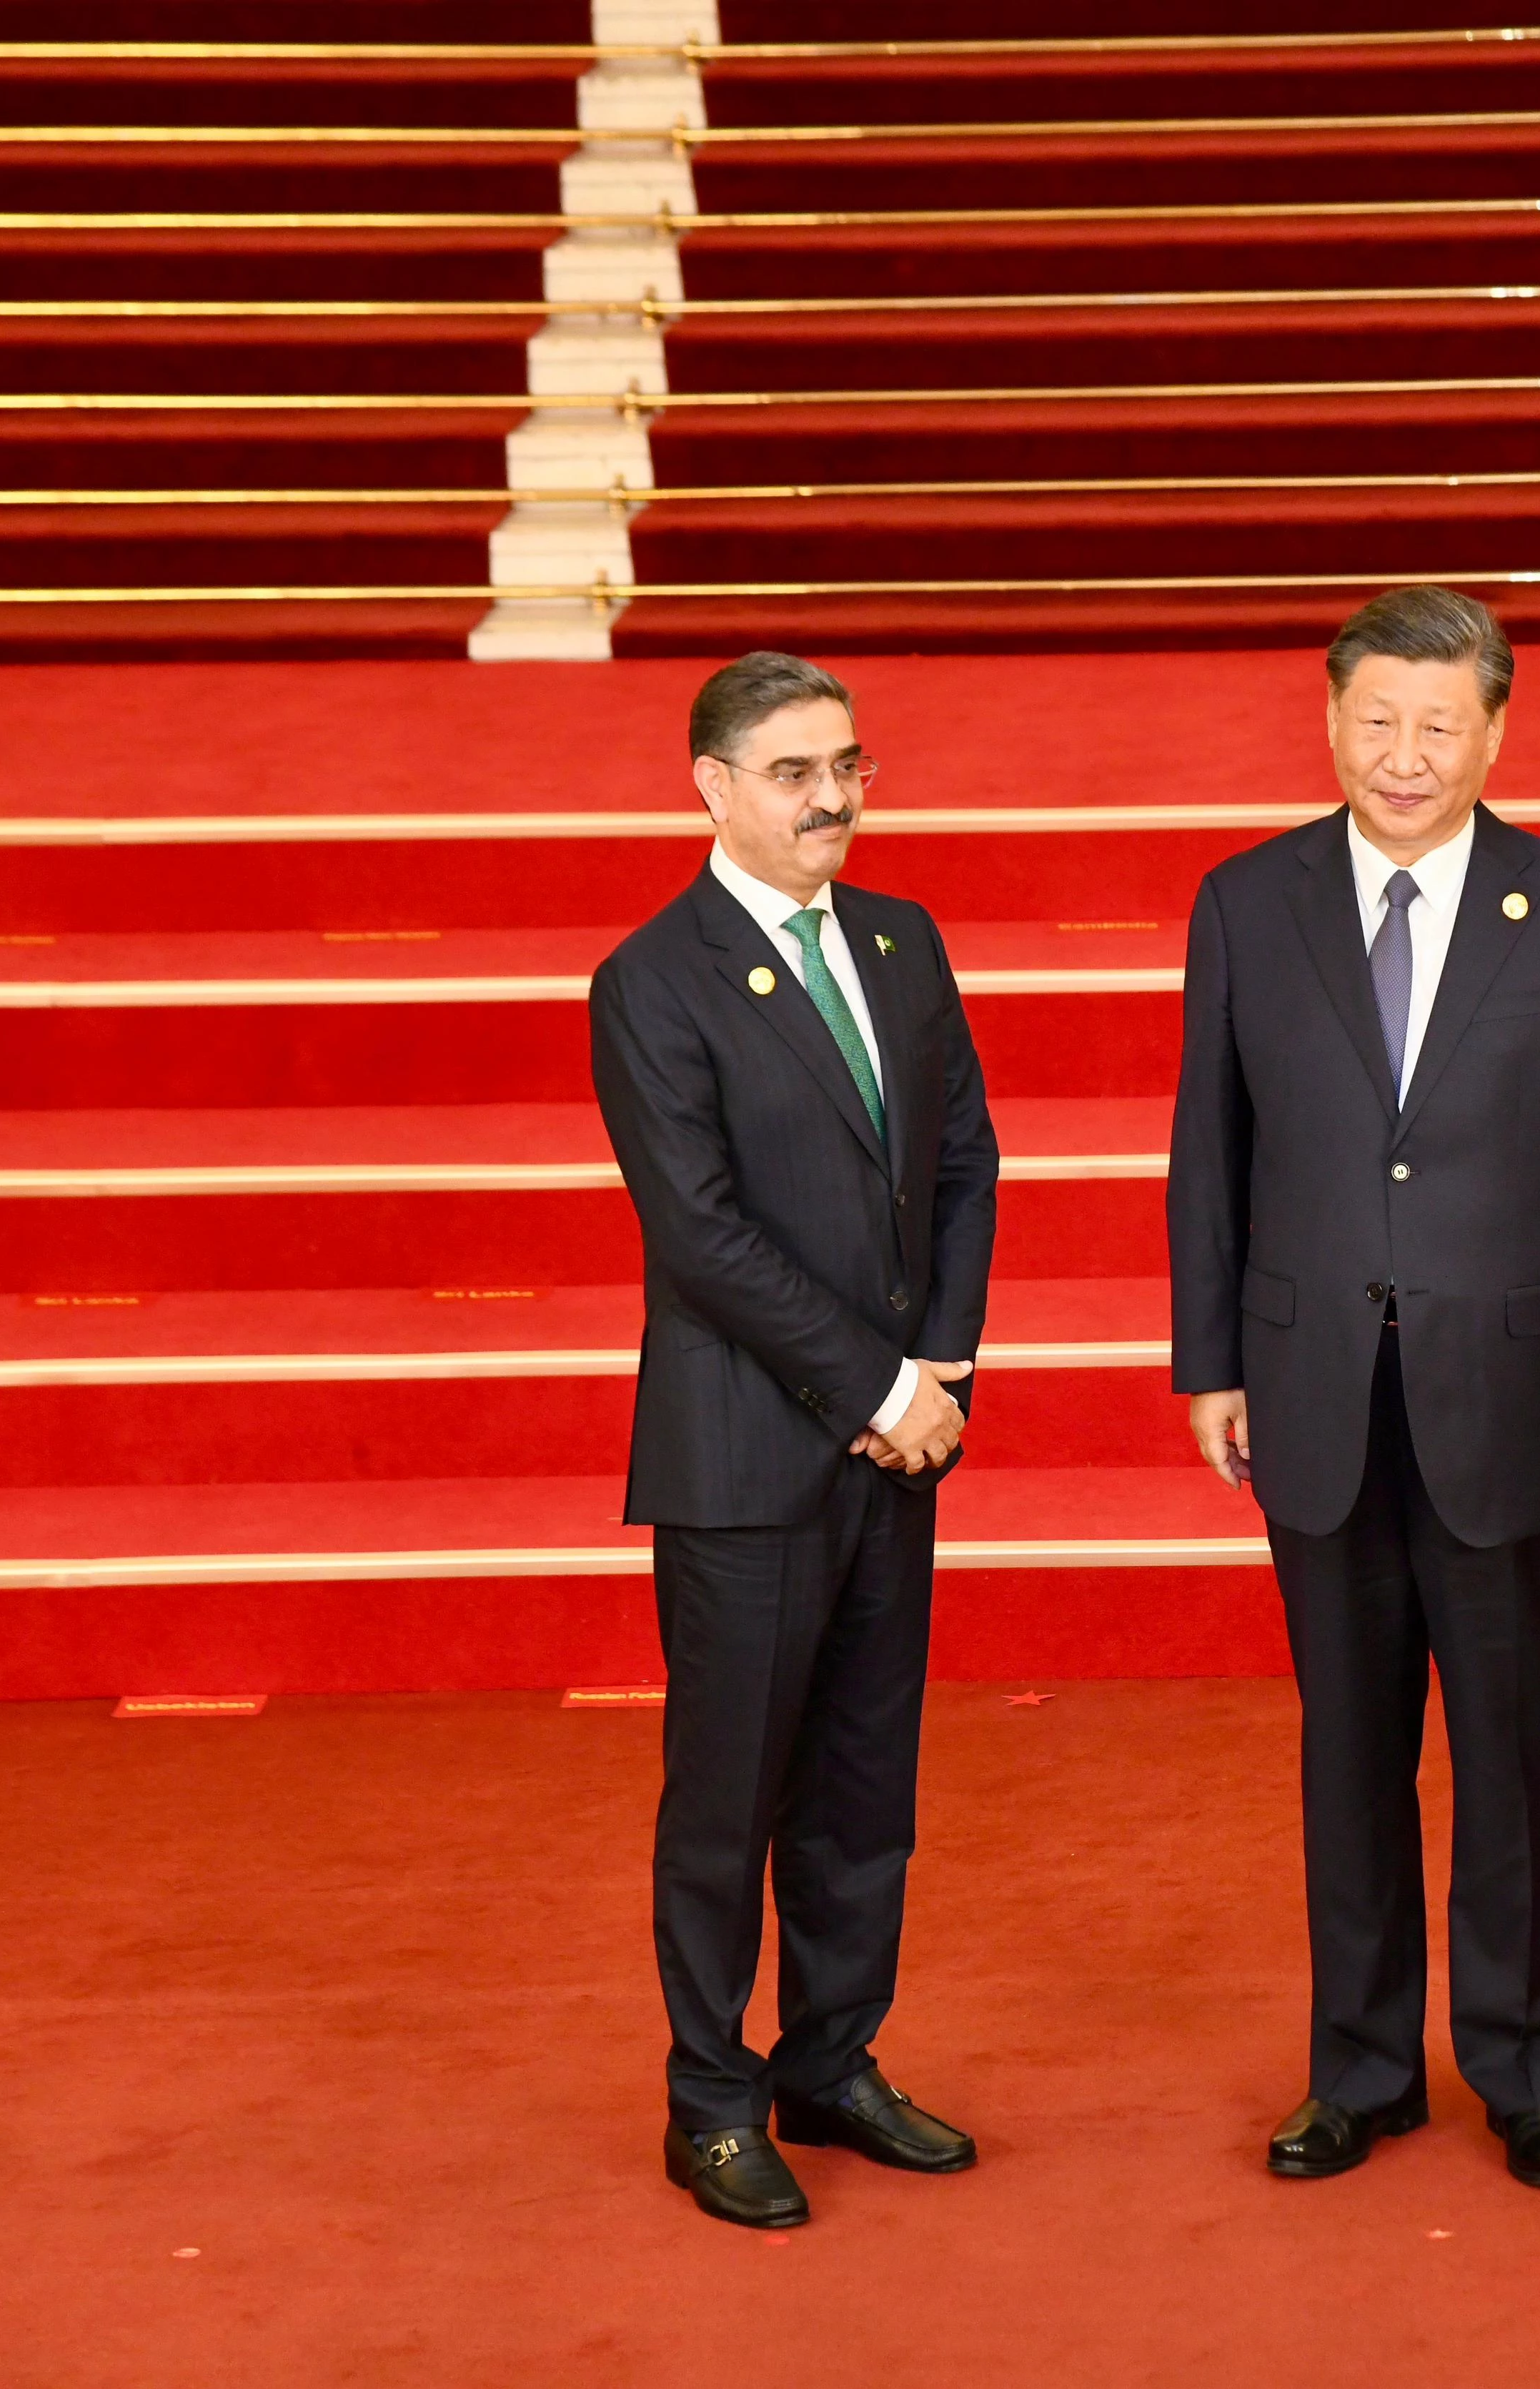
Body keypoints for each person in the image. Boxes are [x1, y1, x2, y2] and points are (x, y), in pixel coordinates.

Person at [1168, 585, 1540, 2190]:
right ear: (1331, 723)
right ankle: (1362, 2066)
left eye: (1437, 725)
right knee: (1348, 1748)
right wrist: (1208, 1359)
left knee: (1521, 1746)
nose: (1404, 754)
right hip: (1312, 1383)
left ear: (1495, 732)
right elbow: (1213, 1150)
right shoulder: (1246, 904)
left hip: (1521, 1394)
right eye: (1376, 721)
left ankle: (1532, 2064)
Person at [590, 651, 1000, 2230]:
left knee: (858, 1783)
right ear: (709, 785)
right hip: (750, 1459)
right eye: (790, 771)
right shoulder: (653, 979)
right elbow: (700, 1239)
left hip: (900, 1443)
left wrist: (941, 1357)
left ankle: (832, 2061)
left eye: (849, 764)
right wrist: (883, 1389)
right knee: (728, 1795)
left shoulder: (900, 940)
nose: (830, 797)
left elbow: (962, 1150)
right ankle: (710, 2101)